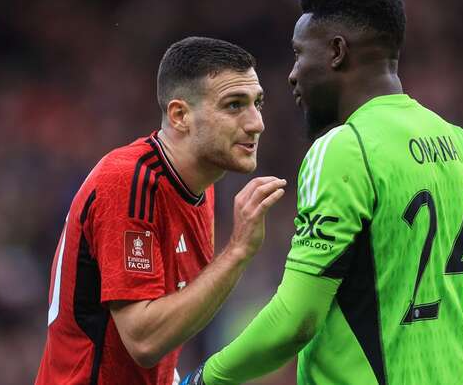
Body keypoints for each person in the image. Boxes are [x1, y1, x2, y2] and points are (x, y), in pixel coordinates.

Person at [181, 0, 463, 385]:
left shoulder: (344, 150)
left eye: (299, 53)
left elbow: (296, 319)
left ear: (336, 52)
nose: (292, 74)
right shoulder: (460, 146)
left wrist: (205, 378)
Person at [35, 36, 286, 385]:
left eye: (257, 103)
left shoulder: (201, 187)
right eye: (233, 105)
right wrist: (238, 251)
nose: (256, 123)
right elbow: (144, 340)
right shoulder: (127, 183)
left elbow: (168, 329)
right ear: (180, 115)